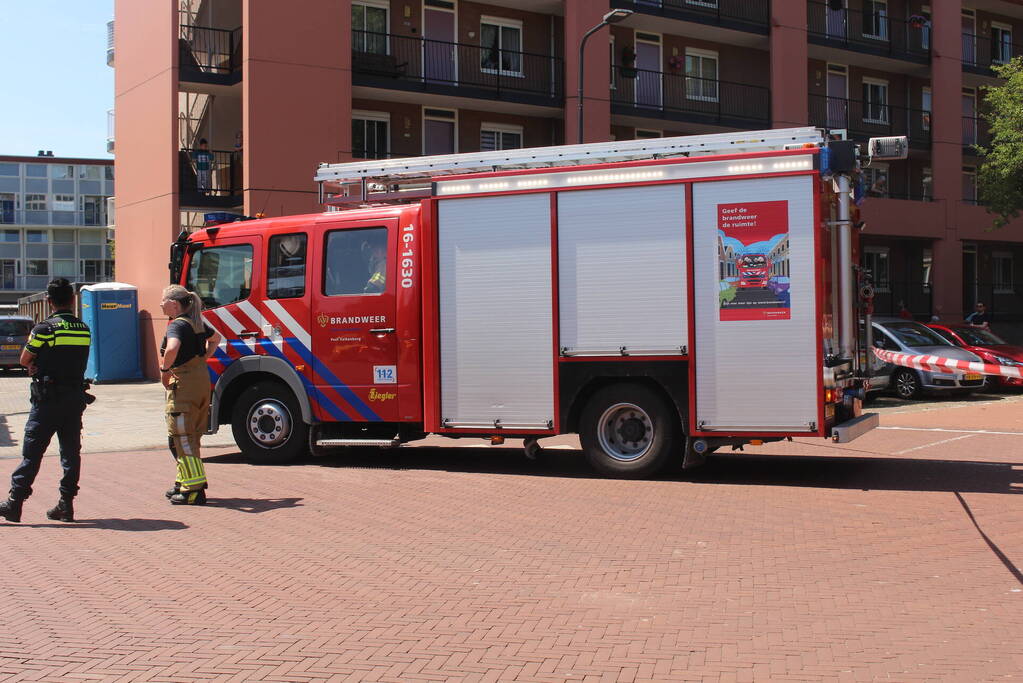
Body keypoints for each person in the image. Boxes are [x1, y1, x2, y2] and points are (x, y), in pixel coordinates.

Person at [0, 279, 92, 523]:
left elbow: (24, 359)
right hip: (74, 398)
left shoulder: (45, 329)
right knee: (71, 452)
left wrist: (35, 364)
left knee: (32, 452)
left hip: (48, 400)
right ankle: (66, 504)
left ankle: (15, 502)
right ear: (72, 300)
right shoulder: (83, 328)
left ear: (49, 301)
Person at [159, 285, 222, 505]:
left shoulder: (176, 325)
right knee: (191, 436)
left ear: (174, 304)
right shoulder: (196, 322)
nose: (160, 304)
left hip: (184, 385)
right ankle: (182, 482)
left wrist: (165, 371)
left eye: (163, 300)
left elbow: (173, 348)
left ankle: (193, 490)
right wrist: (204, 357)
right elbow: (216, 338)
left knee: (182, 439)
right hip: (201, 382)